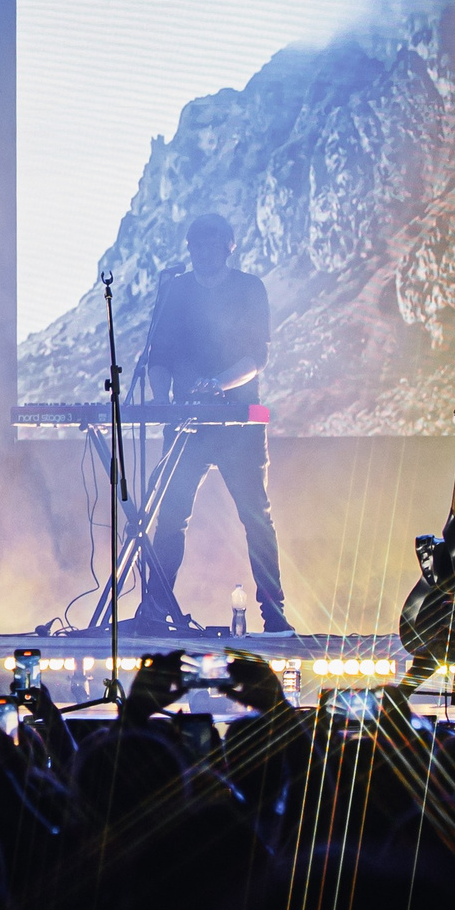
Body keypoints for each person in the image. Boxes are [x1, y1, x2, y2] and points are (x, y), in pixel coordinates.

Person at [134, 214, 290, 635]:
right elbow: (159, 355)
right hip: (186, 425)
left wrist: (217, 386)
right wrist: (163, 400)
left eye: (210, 244)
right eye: (195, 245)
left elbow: (257, 357)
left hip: (238, 426)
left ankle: (274, 616)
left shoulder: (248, 288)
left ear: (228, 246)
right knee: (170, 518)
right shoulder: (175, 291)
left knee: (255, 518)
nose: (201, 253)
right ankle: (153, 609)